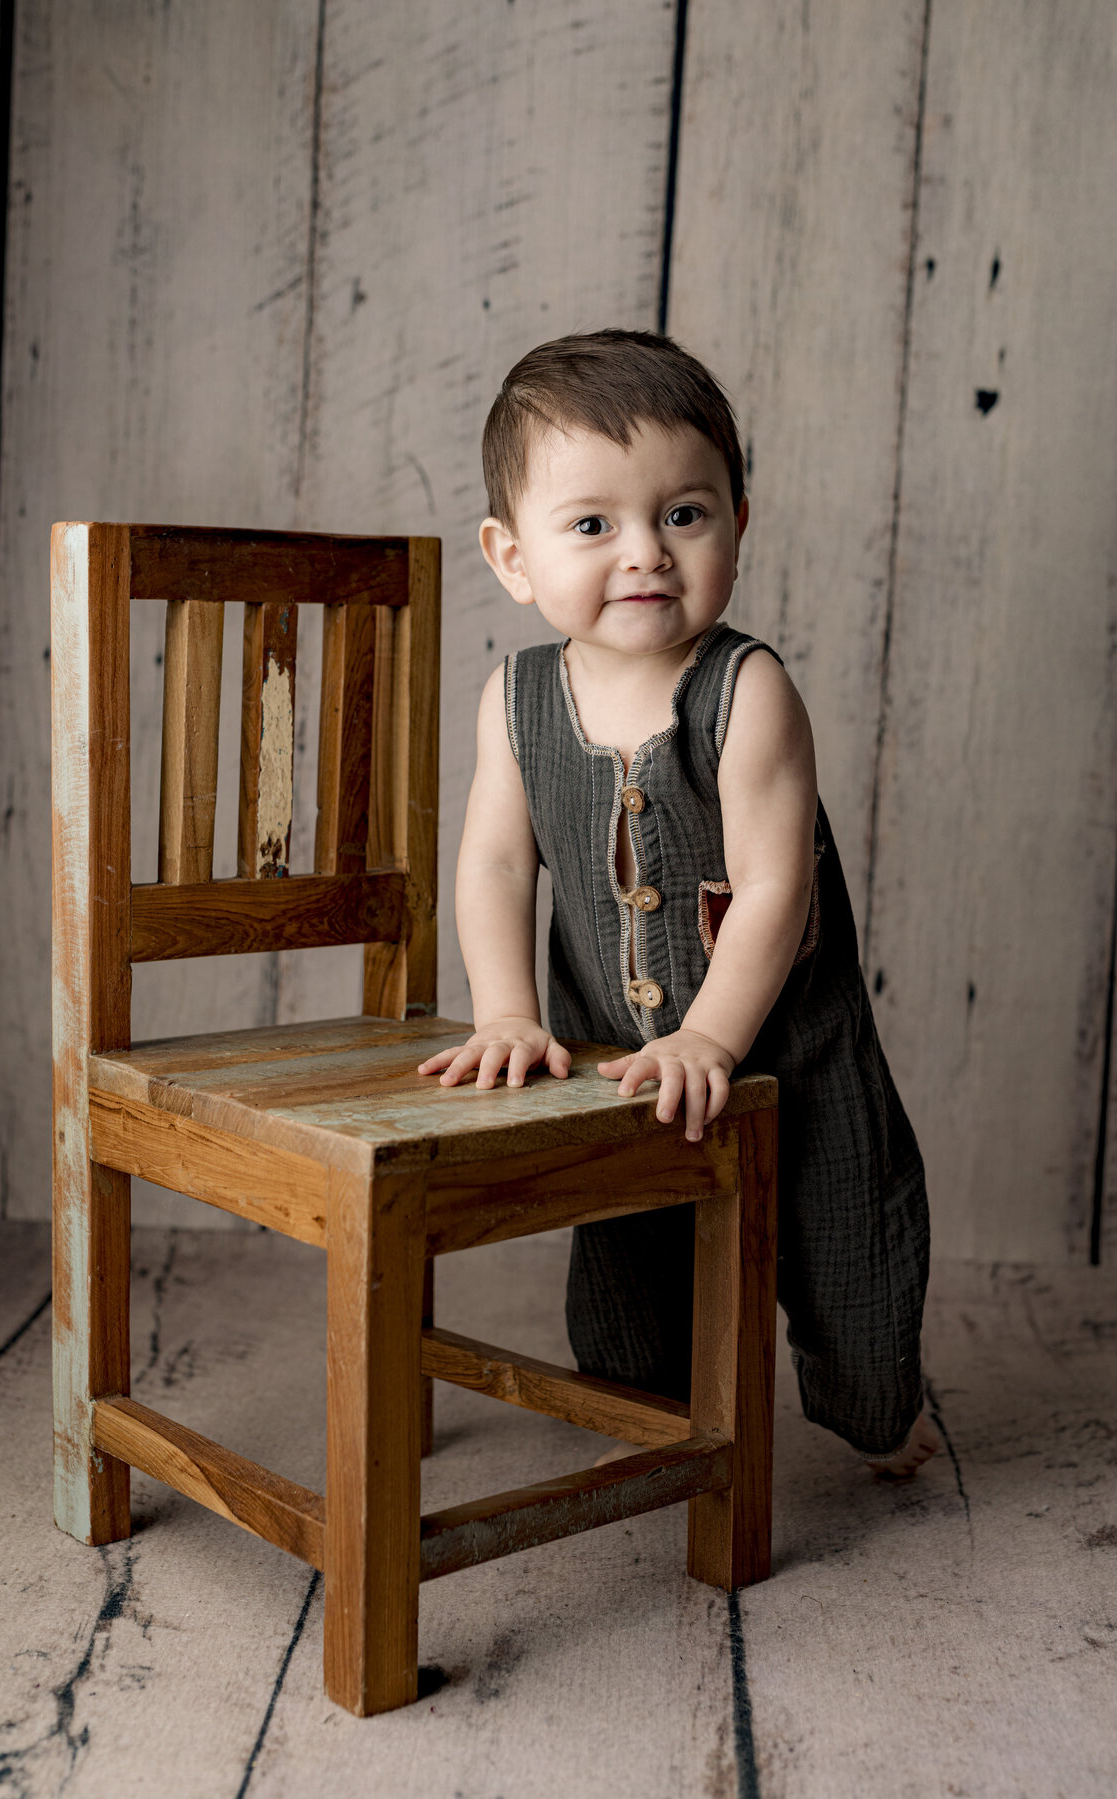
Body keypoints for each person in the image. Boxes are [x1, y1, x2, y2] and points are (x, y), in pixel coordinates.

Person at [417, 329, 937, 1477]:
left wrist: (712, 1033)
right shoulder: (517, 698)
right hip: (620, 1062)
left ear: (737, 522)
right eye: (593, 524)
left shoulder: (748, 690)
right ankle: (651, 1421)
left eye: (684, 514)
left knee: (851, 1256)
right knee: (628, 1311)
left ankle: (885, 1414)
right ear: (512, 556)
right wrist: (507, 1009)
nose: (645, 552)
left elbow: (773, 888)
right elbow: (496, 867)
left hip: (789, 1051)